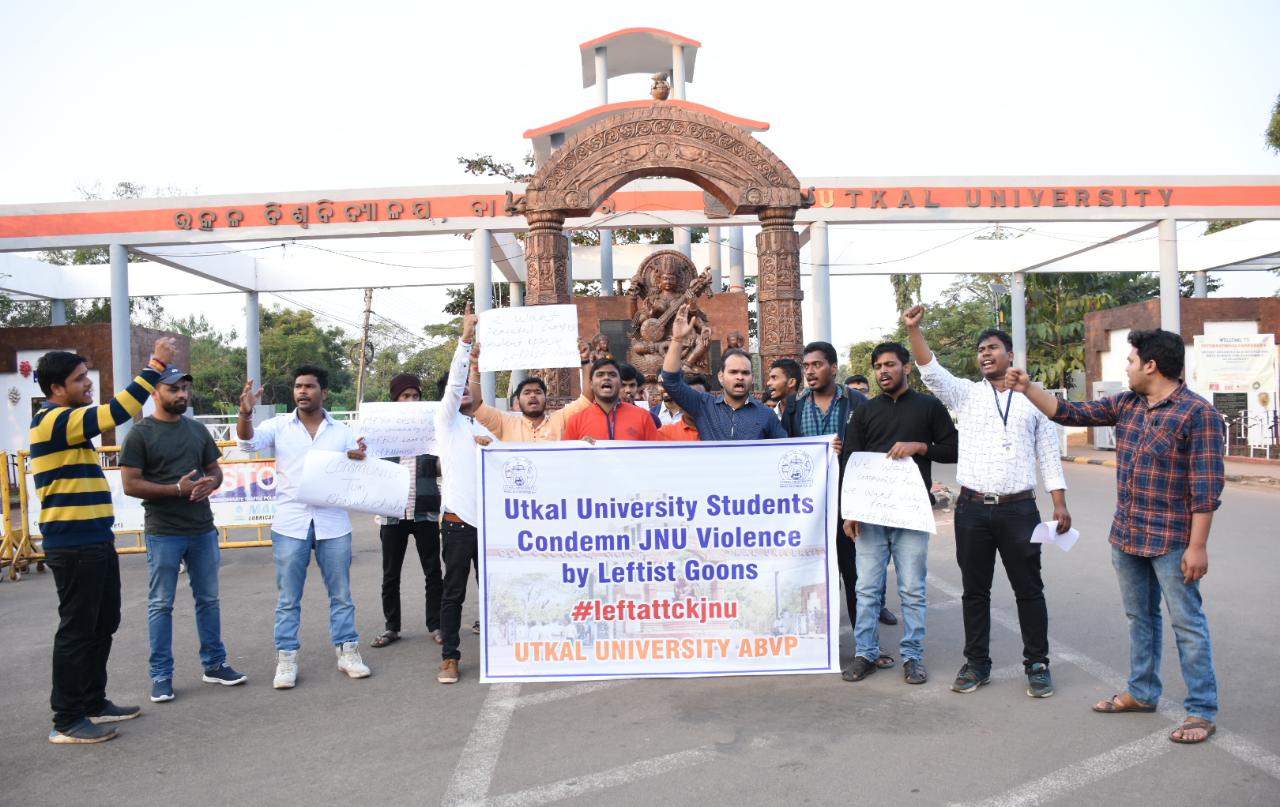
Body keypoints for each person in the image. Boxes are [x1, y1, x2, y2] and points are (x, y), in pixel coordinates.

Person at [1007, 329, 1224, 744]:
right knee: (1139, 618)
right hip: (1126, 535)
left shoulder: (1198, 414)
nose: (1126, 368)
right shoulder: (1126, 404)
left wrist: (1197, 546)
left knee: (1187, 625)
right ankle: (1142, 692)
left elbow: (1206, 488)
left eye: (1130, 360)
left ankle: (1201, 711)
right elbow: (1068, 413)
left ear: (1151, 366)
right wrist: (1027, 387)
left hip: (1172, 541)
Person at [904, 304, 1069, 699]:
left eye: (992, 347)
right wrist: (914, 330)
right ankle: (977, 663)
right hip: (972, 509)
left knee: (1029, 589)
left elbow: (1049, 454)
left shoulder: (1034, 399)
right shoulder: (966, 394)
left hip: (1019, 509)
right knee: (974, 591)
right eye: (980, 349)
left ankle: (1037, 664)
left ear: (1010, 354)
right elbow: (931, 371)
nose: (985, 354)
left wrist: (1059, 503)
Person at [31, 336, 176, 744]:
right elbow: (117, 411)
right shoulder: (54, 419)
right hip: (73, 543)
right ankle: (66, 719)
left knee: (102, 622)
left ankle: (92, 700)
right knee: (78, 630)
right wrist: (155, 366)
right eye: (79, 379)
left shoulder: (66, 420)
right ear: (56, 388)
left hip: (93, 539)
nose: (88, 384)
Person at [237, 364, 372, 689]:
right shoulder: (279, 426)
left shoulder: (341, 431)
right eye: (298, 386)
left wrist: (359, 457)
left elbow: (359, 466)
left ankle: (348, 651)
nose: (302, 392)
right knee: (288, 597)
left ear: (323, 392)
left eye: (309, 386)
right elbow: (247, 444)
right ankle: (286, 658)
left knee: (341, 594)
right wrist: (245, 414)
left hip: (333, 523)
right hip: (291, 523)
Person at [120, 366, 246, 705]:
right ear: (155, 392)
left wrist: (211, 483)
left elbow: (215, 470)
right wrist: (176, 489)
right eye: (173, 389)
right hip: (164, 532)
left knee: (209, 600)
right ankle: (161, 676)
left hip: (202, 529)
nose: (182, 395)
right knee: (161, 604)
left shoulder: (196, 430)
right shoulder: (140, 434)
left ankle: (215, 664)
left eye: (185, 389)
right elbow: (130, 484)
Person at [840, 342, 958, 685]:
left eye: (890, 364)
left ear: (906, 367)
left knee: (912, 590)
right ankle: (866, 653)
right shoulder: (865, 411)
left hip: (911, 514)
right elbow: (851, 460)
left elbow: (953, 449)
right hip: (871, 516)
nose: (883, 371)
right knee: (866, 589)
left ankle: (912, 656)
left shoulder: (929, 407)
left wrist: (920, 447)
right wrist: (851, 511)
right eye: (878, 366)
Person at [780, 342, 896, 630]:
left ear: (833, 368)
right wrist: (813, 451)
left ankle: (865, 644)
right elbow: (785, 452)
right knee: (817, 579)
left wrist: (847, 450)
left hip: (850, 507)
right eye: (806, 366)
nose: (810, 371)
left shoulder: (857, 403)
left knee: (858, 578)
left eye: (817, 365)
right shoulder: (794, 406)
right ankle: (825, 646)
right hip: (811, 511)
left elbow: (874, 447)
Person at [433, 306, 498, 684]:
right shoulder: (446, 423)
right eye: (458, 391)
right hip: (458, 523)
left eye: (469, 390)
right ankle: (450, 657)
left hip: (491, 526)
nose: (463, 394)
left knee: (493, 591)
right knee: (453, 592)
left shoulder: (487, 427)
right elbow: (456, 383)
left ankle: (500, 652)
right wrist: (467, 339)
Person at [369, 373, 444, 650]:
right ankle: (392, 626)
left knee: (433, 571)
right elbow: (369, 465)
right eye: (405, 396)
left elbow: (441, 467)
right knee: (390, 573)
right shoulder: (381, 431)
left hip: (425, 510)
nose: (411, 401)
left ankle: (436, 624)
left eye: (415, 396)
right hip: (392, 513)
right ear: (395, 399)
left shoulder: (432, 430)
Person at [661, 304, 788, 441]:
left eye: (745, 373)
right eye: (733, 372)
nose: (740, 377)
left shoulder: (766, 415)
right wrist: (677, 339)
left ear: (753, 378)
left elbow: (783, 449)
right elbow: (670, 381)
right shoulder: (704, 406)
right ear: (721, 377)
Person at [467, 339, 594, 441]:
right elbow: (476, 406)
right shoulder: (505, 423)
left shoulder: (560, 419)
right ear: (518, 400)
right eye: (527, 393)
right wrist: (474, 368)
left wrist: (585, 361)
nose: (533, 396)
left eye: (538, 392)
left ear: (546, 398)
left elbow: (587, 399)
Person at [563, 357, 662, 441]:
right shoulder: (576, 422)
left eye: (612, 375)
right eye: (600, 374)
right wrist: (582, 448)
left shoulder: (644, 417)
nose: (606, 378)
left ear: (619, 383)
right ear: (591, 384)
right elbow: (569, 456)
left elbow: (655, 455)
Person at [658, 374, 708, 441]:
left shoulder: (720, 431)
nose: (694, 403)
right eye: (689, 398)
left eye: (699, 398)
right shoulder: (663, 434)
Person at [618, 363, 662, 427]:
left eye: (632, 385)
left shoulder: (650, 419)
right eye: (623, 385)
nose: (628, 390)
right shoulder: (604, 417)